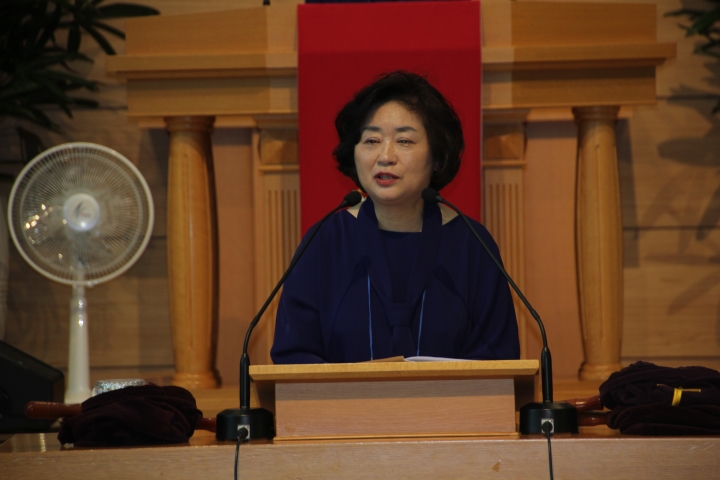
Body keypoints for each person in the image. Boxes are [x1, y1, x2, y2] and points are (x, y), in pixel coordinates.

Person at [271, 71, 519, 364]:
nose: (385, 156)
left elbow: (497, 359)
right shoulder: (325, 242)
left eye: (404, 140)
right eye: (371, 140)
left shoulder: (471, 244)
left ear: (437, 156)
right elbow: (293, 355)